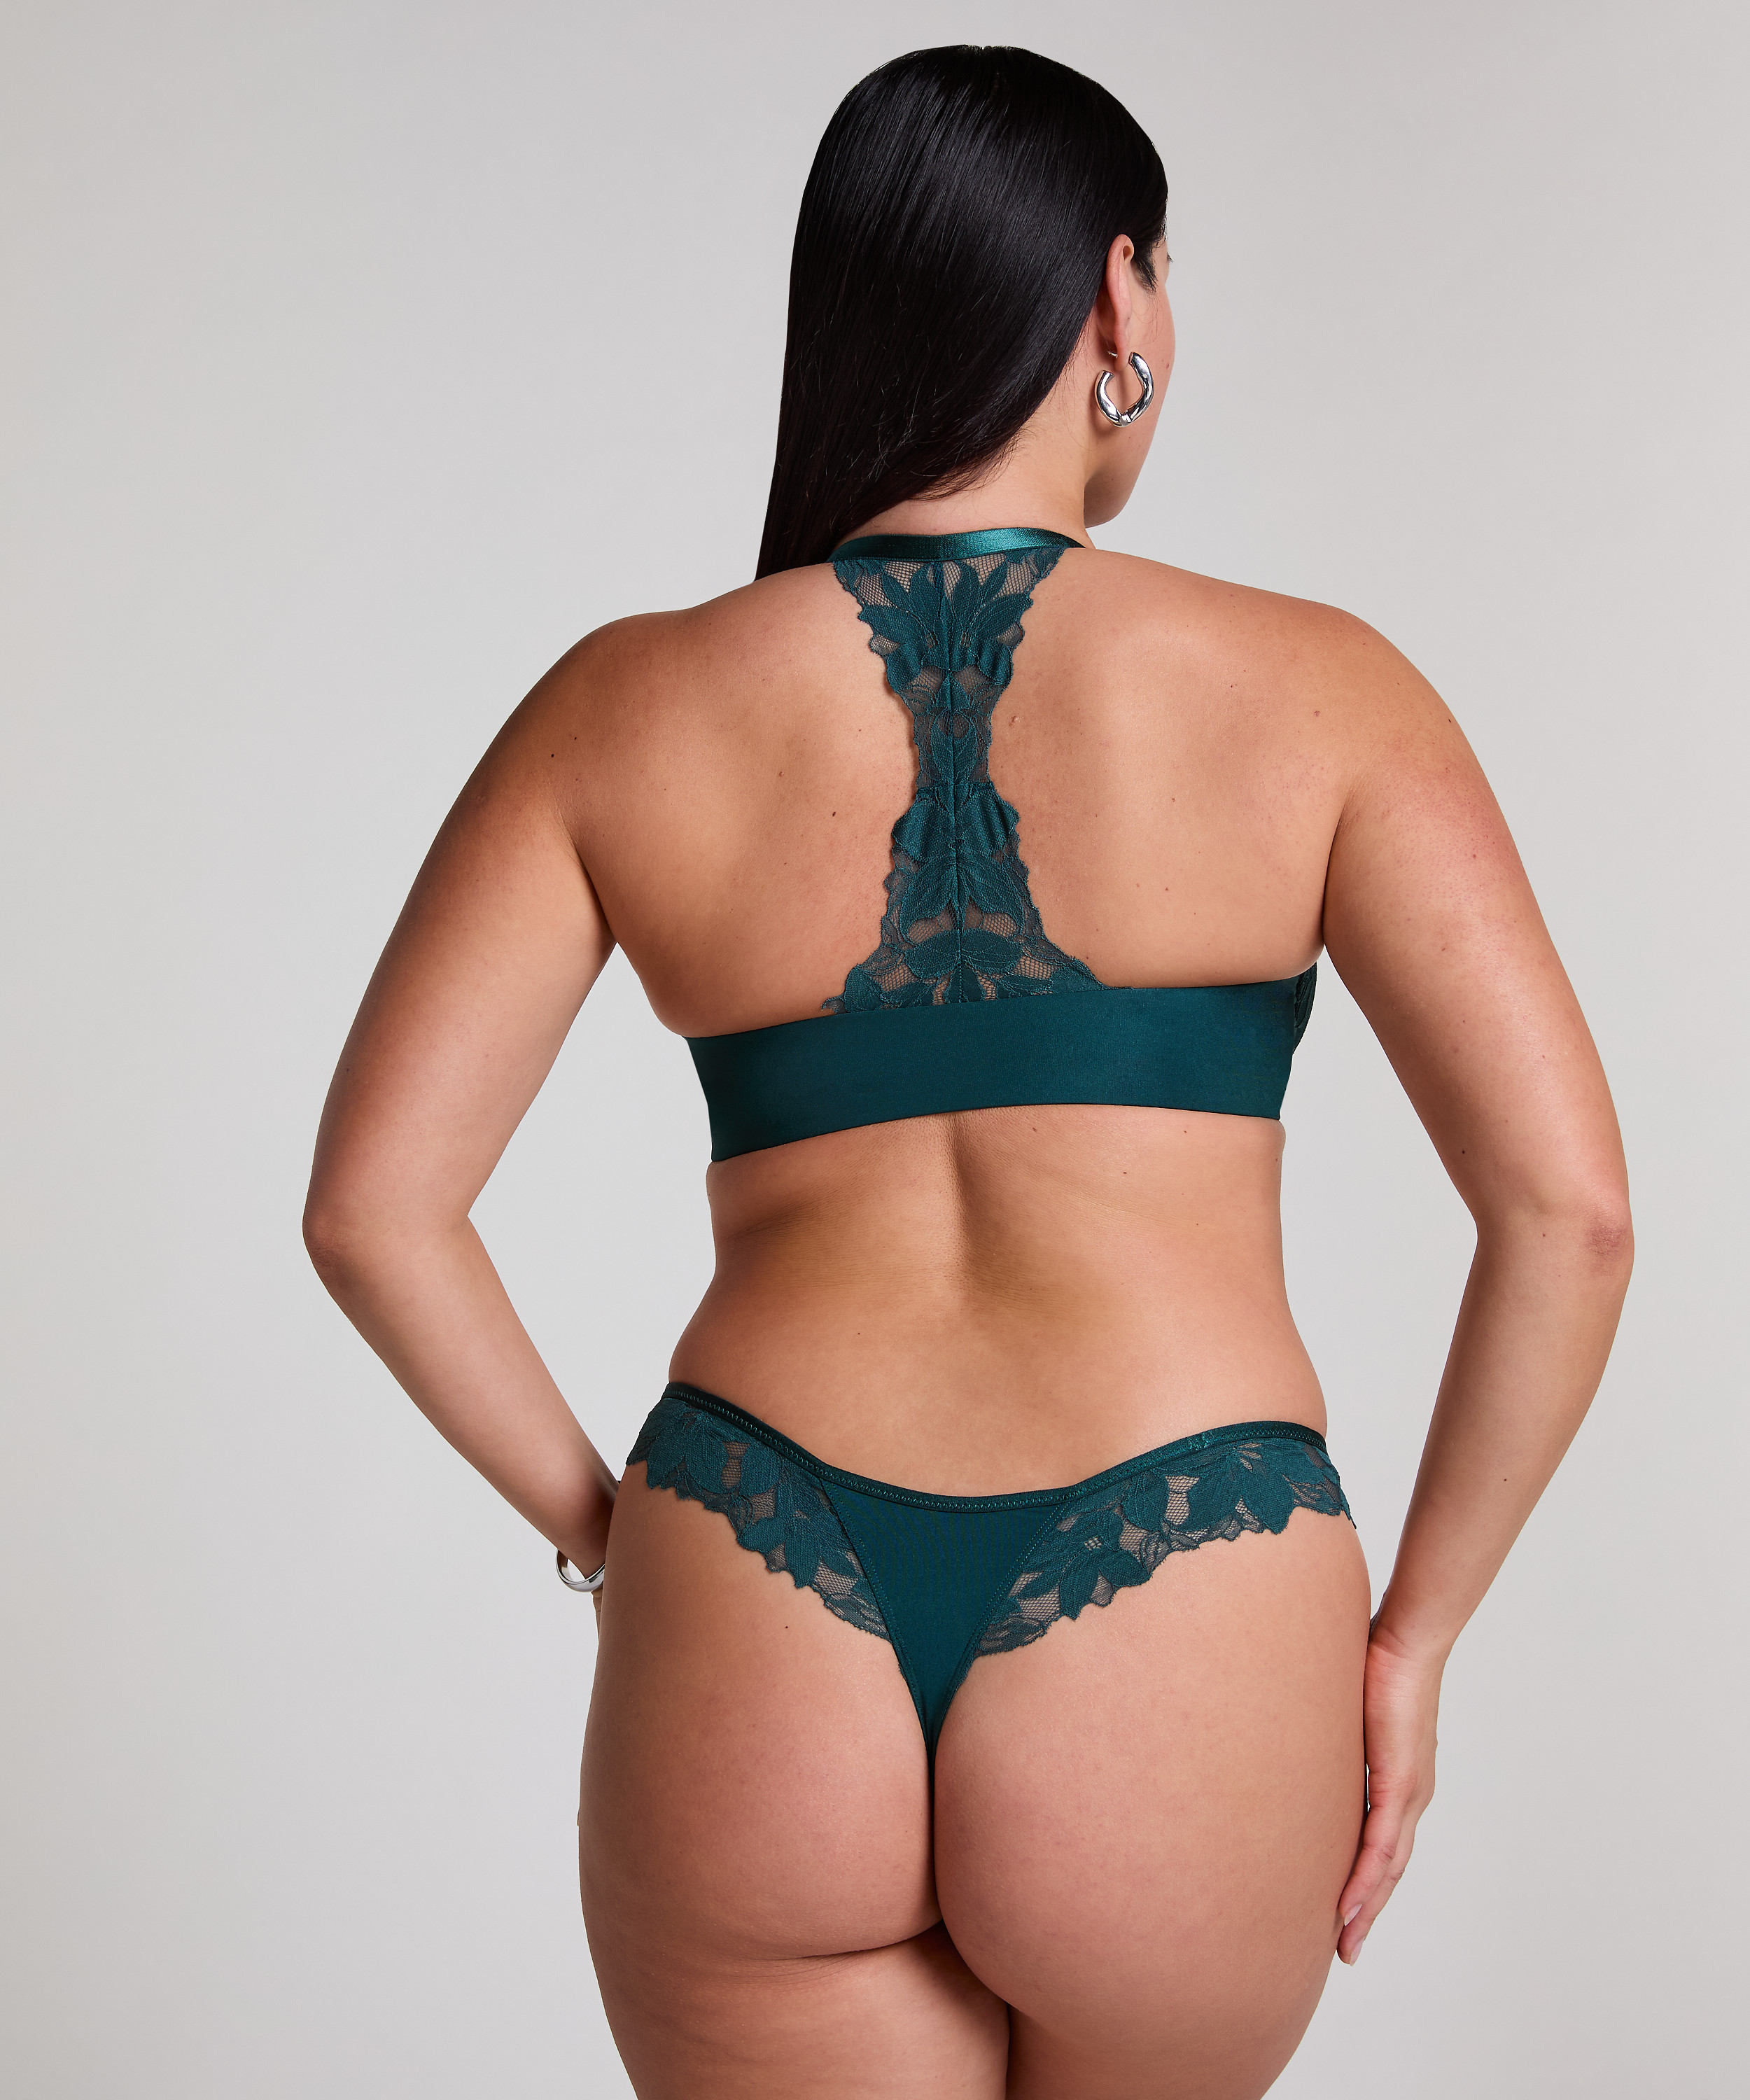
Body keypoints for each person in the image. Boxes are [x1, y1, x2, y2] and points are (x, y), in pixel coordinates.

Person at [303, 44, 1632, 2100]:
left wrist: (616, 1539)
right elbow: (1571, 1215)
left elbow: (373, 1212)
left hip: (756, 1569)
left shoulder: (623, 706)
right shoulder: (1321, 690)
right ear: (1117, 294)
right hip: (1188, 1573)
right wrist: (1414, 1639)